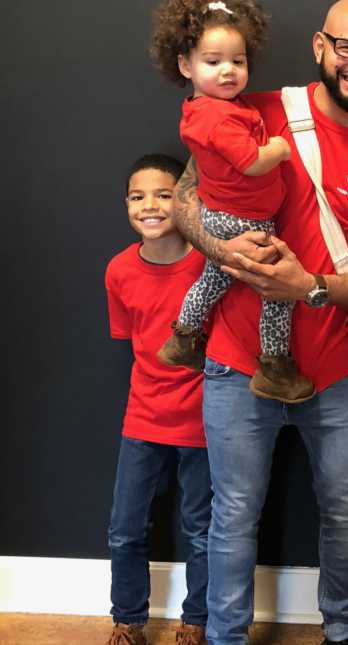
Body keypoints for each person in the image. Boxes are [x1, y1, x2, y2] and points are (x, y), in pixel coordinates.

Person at [170, 1, 348, 643]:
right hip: (235, 362)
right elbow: (183, 198)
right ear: (319, 45)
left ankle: (343, 631)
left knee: (344, 510)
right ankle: (225, 635)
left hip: (336, 373)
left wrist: (308, 286)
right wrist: (223, 250)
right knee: (233, 513)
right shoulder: (248, 108)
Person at [150, 0, 314, 404]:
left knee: (214, 278)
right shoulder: (218, 118)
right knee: (277, 289)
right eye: (213, 61)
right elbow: (251, 161)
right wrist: (277, 149)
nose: (228, 70)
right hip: (244, 221)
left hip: (225, 214)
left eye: (237, 61)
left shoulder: (211, 109)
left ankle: (183, 337)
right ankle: (274, 366)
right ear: (186, 66)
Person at [104, 154, 212, 645]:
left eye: (163, 194)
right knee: (125, 530)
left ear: (185, 199)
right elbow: (136, 343)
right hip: (142, 420)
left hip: (203, 422)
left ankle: (198, 621)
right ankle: (128, 621)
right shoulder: (119, 271)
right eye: (137, 196)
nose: (149, 205)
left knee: (203, 531)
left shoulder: (209, 265)